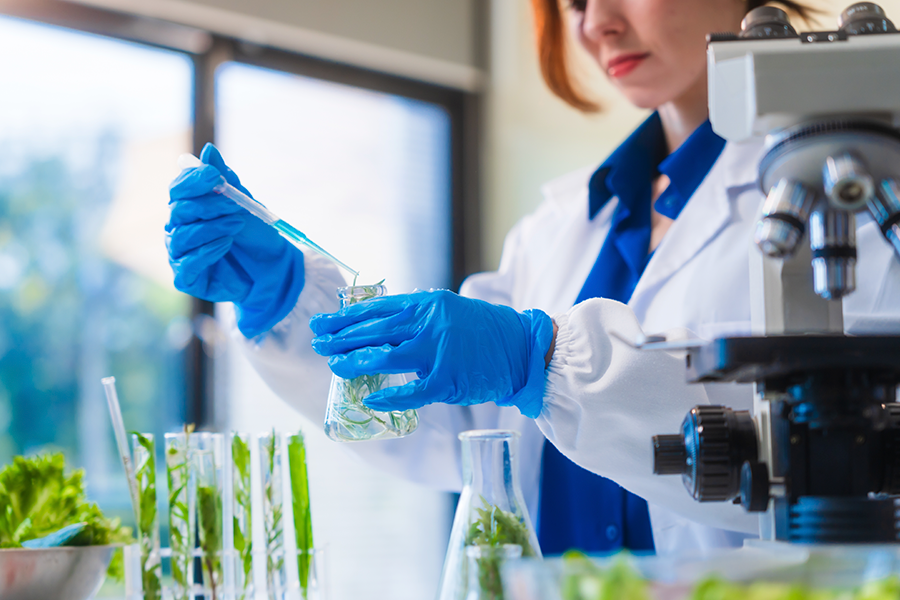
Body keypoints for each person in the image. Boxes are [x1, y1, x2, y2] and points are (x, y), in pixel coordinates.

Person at [166, 0, 900, 555]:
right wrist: (290, 300)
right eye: (573, 1)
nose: (596, 25)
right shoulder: (562, 227)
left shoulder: (859, 194)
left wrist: (542, 362)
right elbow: (458, 426)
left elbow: (844, 449)